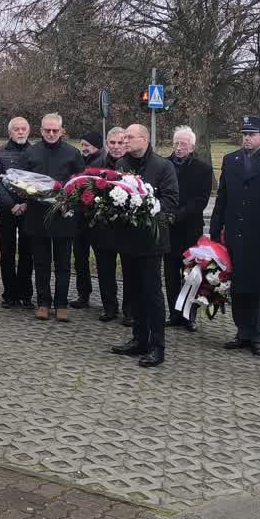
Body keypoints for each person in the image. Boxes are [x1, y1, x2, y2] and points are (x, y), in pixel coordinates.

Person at [209, 116, 260, 356]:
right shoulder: (231, 160)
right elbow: (222, 198)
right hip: (234, 235)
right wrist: (215, 229)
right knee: (237, 287)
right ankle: (242, 332)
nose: (246, 138)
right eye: (244, 134)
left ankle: (259, 335)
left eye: (251, 134)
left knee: (258, 289)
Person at [108, 124, 180, 367]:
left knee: (152, 293)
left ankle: (157, 346)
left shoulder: (163, 166)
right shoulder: (121, 164)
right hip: (128, 239)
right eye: (124, 137)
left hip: (151, 241)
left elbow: (171, 200)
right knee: (133, 290)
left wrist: (144, 206)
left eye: (130, 137)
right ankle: (138, 339)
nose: (125, 140)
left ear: (145, 139)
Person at [22, 113, 84, 321]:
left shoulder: (72, 153)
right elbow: (21, 181)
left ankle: (61, 304)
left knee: (63, 264)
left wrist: (69, 200)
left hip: (63, 217)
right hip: (37, 216)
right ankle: (43, 302)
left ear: (61, 131)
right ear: (41, 130)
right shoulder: (30, 153)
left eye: (55, 130)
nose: (51, 133)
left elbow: (81, 182)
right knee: (41, 263)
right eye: (47, 130)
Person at [164, 126, 213, 331]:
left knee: (191, 275)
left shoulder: (203, 169)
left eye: (183, 144)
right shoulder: (164, 165)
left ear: (192, 147)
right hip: (167, 228)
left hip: (189, 229)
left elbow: (201, 200)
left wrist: (179, 214)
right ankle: (174, 313)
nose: (179, 147)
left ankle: (189, 315)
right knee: (170, 275)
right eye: (176, 143)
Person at [0, 117, 35, 309]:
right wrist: (11, 204)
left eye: (23, 129)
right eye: (16, 129)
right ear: (10, 132)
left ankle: (25, 294)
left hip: (29, 210)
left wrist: (26, 203)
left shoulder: (35, 152)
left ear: (29, 131)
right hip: (6, 210)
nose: (20, 132)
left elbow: (39, 181)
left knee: (27, 253)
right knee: (6, 253)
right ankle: (9, 294)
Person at [90, 128, 126, 322]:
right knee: (105, 271)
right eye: (112, 143)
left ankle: (130, 310)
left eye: (120, 143)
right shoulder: (97, 166)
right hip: (103, 228)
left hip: (127, 228)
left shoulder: (133, 165)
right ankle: (109, 307)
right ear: (106, 144)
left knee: (130, 272)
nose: (116, 147)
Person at [70, 130, 104, 309]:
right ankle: (83, 294)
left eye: (87, 145)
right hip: (80, 218)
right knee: (80, 259)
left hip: (95, 220)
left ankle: (103, 297)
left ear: (96, 146)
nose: (84, 148)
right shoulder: (82, 161)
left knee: (100, 260)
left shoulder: (101, 162)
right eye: (82, 145)